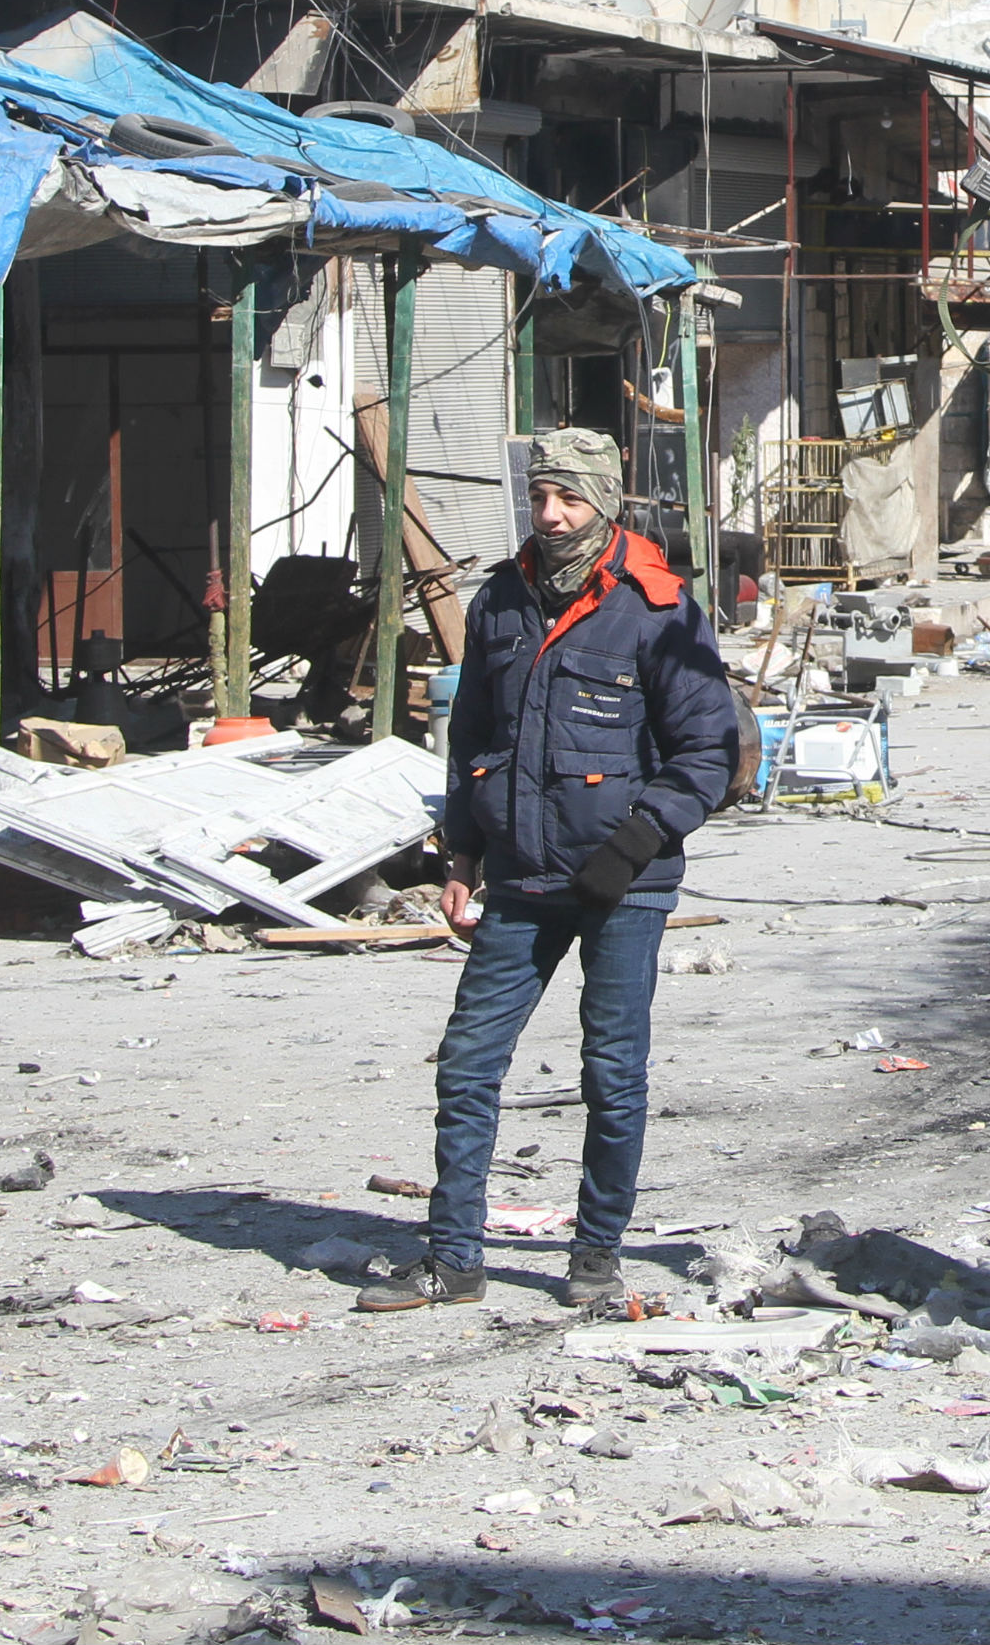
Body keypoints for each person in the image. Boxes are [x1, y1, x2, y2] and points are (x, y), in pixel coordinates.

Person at [354, 427, 737, 1314]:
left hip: (625, 885)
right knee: (466, 1063)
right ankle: (454, 1258)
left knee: (612, 1070)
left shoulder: (658, 606)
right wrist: (461, 854)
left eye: (569, 498)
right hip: (521, 879)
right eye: (539, 497)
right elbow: (472, 739)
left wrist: (633, 846)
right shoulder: (500, 599)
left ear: (604, 502)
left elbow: (710, 751)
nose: (552, 514)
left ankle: (596, 1256)